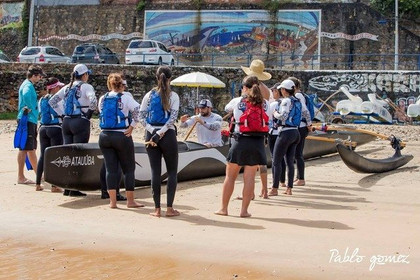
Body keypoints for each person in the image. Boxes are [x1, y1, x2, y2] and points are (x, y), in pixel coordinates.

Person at [215, 75, 269, 217]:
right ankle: (244, 211)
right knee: (250, 177)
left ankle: (223, 209)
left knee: (230, 176)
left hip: (240, 140)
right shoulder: (266, 103)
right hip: (257, 142)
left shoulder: (238, 101)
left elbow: (227, 109)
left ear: (244, 87)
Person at [49, 64, 97, 197]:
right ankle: (75, 187)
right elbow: (93, 100)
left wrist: (63, 114)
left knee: (68, 154)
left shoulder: (67, 87)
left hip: (67, 122)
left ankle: (67, 187)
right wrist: (89, 114)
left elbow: (52, 101)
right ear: (85, 75)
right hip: (80, 121)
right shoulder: (86, 86)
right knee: (78, 155)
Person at [98, 73, 143, 208]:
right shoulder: (125, 98)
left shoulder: (103, 98)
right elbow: (139, 110)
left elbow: (101, 112)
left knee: (110, 169)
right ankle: (130, 201)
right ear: (122, 85)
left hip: (104, 136)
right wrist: (132, 126)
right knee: (129, 169)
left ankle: (112, 202)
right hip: (121, 135)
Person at [139, 66, 180, 217]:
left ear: (157, 78)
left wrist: (152, 131)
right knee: (172, 172)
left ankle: (157, 209)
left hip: (150, 135)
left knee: (155, 172)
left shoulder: (148, 95)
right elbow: (172, 119)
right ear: (170, 79)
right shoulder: (173, 95)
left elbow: (141, 117)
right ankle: (169, 208)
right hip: (167, 135)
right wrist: (161, 133)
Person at [272, 79, 312, 196]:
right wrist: (309, 124)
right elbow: (306, 113)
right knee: (290, 161)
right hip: (296, 132)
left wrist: (275, 113)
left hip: (285, 133)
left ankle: (274, 188)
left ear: (284, 90)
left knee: (276, 160)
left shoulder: (286, 101)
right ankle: (289, 188)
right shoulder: (298, 100)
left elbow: (283, 117)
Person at [241, 59, 272, 197]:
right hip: (263, 129)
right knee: (262, 160)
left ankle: (249, 192)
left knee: (249, 163)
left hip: (249, 130)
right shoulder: (266, 90)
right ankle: (264, 190)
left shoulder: (248, 91)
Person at [35, 77, 65, 192]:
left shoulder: (42, 99)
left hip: (43, 128)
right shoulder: (57, 100)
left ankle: (38, 183)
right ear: (55, 87)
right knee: (55, 156)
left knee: (43, 155)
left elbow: (40, 112)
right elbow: (62, 112)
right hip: (55, 128)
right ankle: (54, 185)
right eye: (59, 87)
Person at [16, 65, 44, 185]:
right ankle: (34, 175)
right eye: (39, 76)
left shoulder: (26, 84)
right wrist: (32, 109)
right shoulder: (28, 86)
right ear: (34, 75)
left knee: (25, 148)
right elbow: (27, 95)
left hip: (25, 118)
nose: (40, 78)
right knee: (28, 148)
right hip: (28, 119)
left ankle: (27, 175)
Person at [289, 77, 310, 186]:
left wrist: (309, 124)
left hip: (300, 127)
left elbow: (304, 110)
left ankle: (301, 178)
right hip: (301, 126)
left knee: (298, 154)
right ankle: (298, 177)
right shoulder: (300, 95)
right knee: (297, 153)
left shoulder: (297, 96)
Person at [267, 83, 287, 197]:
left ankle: (275, 183)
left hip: (274, 133)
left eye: (273, 91)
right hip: (283, 132)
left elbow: (269, 118)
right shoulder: (287, 102)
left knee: (275, 159)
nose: (272, 93)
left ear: (277, 91)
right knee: (282, 158)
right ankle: (282, 181)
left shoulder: (274, 104)